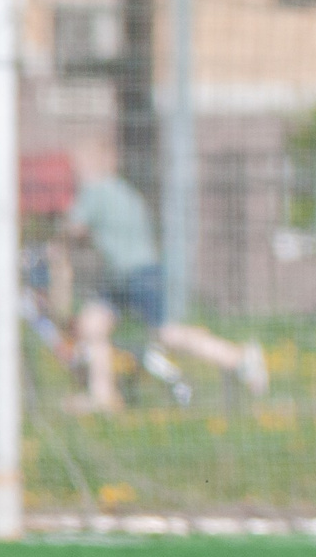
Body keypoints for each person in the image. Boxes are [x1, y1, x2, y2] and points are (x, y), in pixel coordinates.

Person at [65, 150, 266, 410]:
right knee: (92, 326)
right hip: (124, 276)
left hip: (134, 275)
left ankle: (239, 358)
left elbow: (74, 227)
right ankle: (102, 396)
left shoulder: (95, 189)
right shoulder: (125, 192)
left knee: (167, 334)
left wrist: (58, 242)